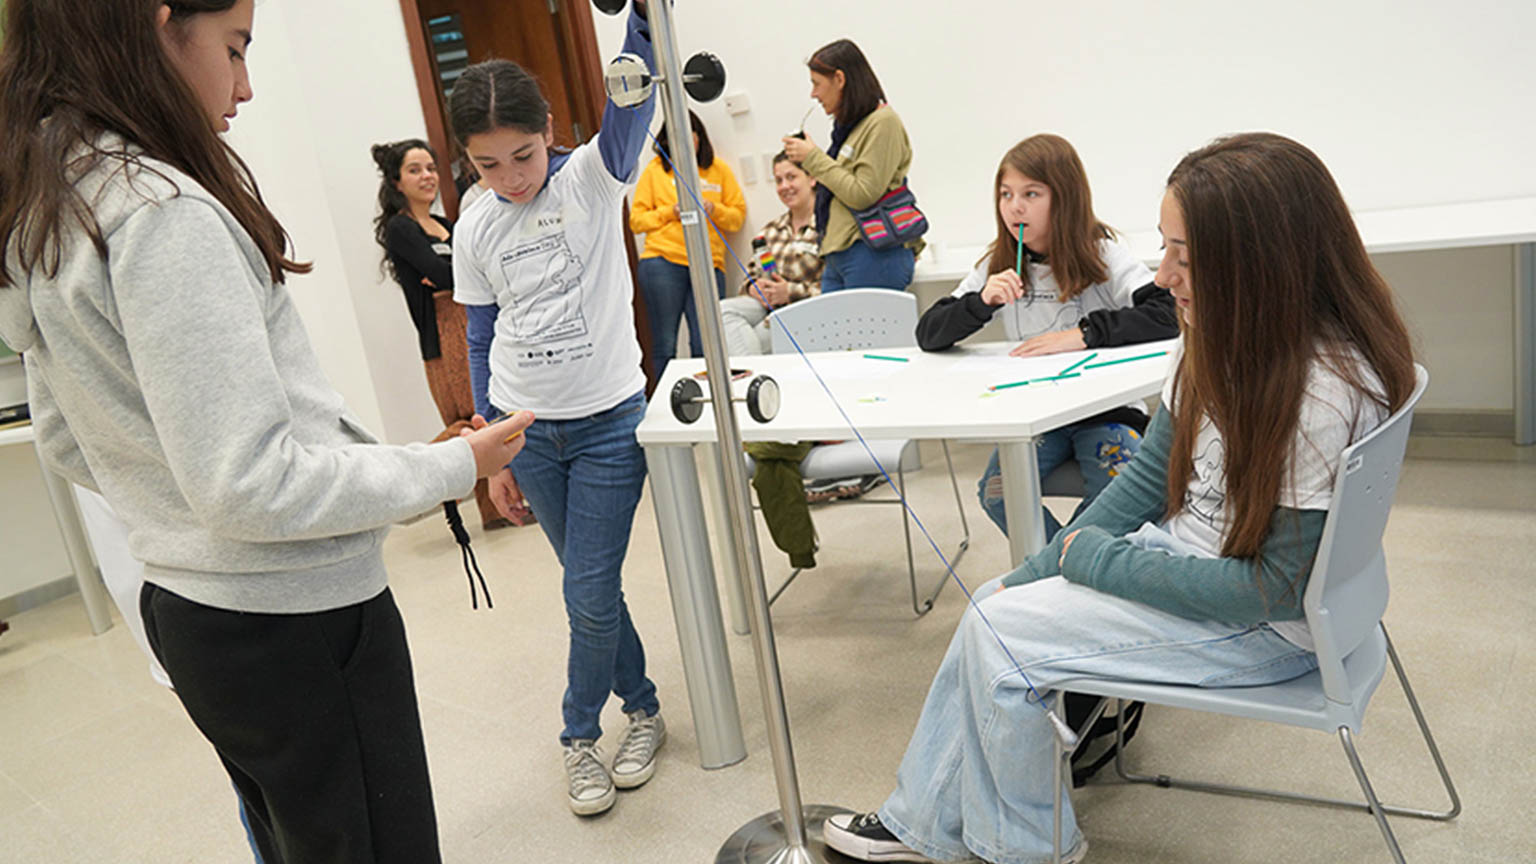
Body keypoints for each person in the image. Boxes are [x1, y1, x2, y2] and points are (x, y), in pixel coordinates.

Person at [0, 2, 532, 861]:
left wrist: (183, 511)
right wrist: (450, 466)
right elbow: (251, 484)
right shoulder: (162, 212)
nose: (244, 88)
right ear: (160, 24)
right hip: (296, 620)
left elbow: (68, 440)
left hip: (194, 616)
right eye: (235, 48)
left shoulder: (53, 204)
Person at [822, 132, 1418, 864]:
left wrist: (1095, 560)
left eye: (1185, 258)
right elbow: (1146, 478)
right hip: (1213, 571)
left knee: (1000, 636)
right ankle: (927, 825)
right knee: (995, 606)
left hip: (1262, 624)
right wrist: (1042, 567)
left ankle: (1018, 849)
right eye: (1165, 250)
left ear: (1260, 262)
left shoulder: (1319, 392)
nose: (1164, 277)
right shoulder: (1220, 338)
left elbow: (1271, 589)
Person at [448, 4, 667, 818]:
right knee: (591, 590)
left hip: (609, 422)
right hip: (527, 432)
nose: (511, 177)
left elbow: (631, 101)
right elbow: (480, 336)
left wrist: (642, 21)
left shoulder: (591, 178)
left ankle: (577, 734)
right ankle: (643, 707)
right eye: (487, 164)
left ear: (549, 130)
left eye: (523, 154)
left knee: (587, 589)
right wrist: (490, 448)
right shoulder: (474, 224)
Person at [916, 134, 1176, 540]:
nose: (1014, 207)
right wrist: (981, 303)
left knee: (1120, 496)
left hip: (1106, 412)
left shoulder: (1101, 254)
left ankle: (1068, 561)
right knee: (997, 495)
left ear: (1065, 198)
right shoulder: (998, 263)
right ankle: (1063, 564)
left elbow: (1168, 311)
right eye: (1006, 194)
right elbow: (929, 333)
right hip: (1036, 418)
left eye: (1031, 194)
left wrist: (1085, 334)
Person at [372, 137, 524, 530]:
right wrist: (451, 274)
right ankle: (405, 486)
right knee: (467, 421)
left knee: (485, 413)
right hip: (442, 334)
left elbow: (469, 271)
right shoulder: (400, 228)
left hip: (472, 320)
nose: (427, 176)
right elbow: (446, 274)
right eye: (414, 170)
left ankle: (496, 509)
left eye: (430, 168)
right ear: (396, 181)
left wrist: (450, 275)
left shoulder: (444, 225)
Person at [780, 39, 920, 293]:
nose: (813, 94)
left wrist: (812, 158)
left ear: (839, 79)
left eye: (816, 84)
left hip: (872, 253)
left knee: (867, 322)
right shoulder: (850, 129)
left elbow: (863, 194)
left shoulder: (883, 122)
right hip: (839, 254)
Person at [630, 109, 745, 372]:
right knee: (665, 343)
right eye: (676, 136)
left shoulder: (718, 170)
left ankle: (708, 393)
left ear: (699, 138)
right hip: (662, 263)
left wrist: (714, 210)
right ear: (666, 141)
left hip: (708, 264)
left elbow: (737, 218)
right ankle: (668, 395)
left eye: (689, 136)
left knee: (707, 344)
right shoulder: (655, 171)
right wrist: (670, 212)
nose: (683, 142)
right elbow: (637, 222)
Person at [720, 151, 823, 356]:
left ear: (812, 178)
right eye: (778, 180)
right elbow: (749, 277)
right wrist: (753, 288)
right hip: (765, 308)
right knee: (722, 311)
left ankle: (752, 373)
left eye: (791, 177)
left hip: (807, 310)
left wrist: (789, 291)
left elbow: (837, 289)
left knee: (748, 341)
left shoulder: (829, 227)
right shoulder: (771, 231)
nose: (784, 186)